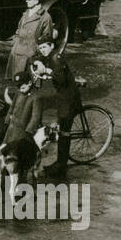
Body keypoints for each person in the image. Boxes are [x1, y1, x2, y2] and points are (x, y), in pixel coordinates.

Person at [38, 40, 83, 178]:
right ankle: (59, 162)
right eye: (40, 48)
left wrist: (47, 71)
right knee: (62, 129)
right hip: (63, 98)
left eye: (45, 47)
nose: (42, 50)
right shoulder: (50, 56)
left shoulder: (56, 58)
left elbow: (62, 79)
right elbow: (34, 58)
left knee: (64, 133)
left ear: (51, 46)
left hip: (69, 100)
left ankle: (61, 166)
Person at [7, 0, 53, 79]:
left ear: (36, 1)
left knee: (27, 82)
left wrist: (38, 55)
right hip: (17, 51)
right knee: (17, 80)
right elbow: (19, 29)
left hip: (30, 54)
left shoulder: (45, 17)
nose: (26, 1)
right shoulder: (26, 14)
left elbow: (46, 39)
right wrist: (15, 42)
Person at [3, 71, 46, 147]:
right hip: (12, 127)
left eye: (23, 87)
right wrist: (7, 121)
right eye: (18, 88)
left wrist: (29, 131)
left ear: (29, 83)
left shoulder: (36, 97)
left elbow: (35, 117)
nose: (20, 90)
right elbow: (12, 107)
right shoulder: (18, 93)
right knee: (7, 148)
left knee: (20, 150)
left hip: (24, 130)